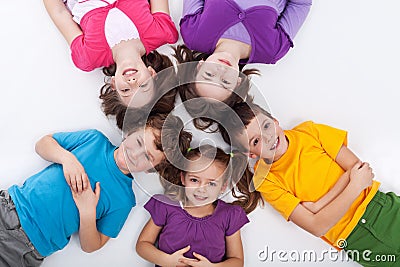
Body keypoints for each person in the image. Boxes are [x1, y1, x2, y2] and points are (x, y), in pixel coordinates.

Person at [221, 100, 400, 267]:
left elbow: (359, 170)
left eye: (266, 126)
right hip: (356, 239)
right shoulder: (265, 180)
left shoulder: (309, 132)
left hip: (383, 209)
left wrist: (319, 205)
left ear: (274, 120)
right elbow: (317, 226)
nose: (267, 138)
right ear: (250, 154)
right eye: (256, 141)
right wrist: (354, 185)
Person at [0, 113, 192, 267]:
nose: (135, 153)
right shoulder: (93, 139)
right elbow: (42, 144)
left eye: (148, 157)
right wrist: (67, 159)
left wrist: (87, 211)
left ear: (151, 169)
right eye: (139, 142)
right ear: (131, 131)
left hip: (27, 248)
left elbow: (91, 246)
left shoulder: (125, 200)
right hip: (7, 208)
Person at [43, 0, 178, 107]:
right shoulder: (162, 32)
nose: (132, 82)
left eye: (125, 91)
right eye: (143, 86)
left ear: (114, 84)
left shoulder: (88, 57)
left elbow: (59, 12)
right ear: (153, 74)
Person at [136, 145, 252, 267]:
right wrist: (166, 260)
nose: (201, 189)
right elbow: (143, 244)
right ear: (183, 178)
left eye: (211, 183)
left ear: (223, 187)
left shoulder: (229, 215)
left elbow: (237, 261)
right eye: (194, 180)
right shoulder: (166, 206)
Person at [178, 0, 312, 100]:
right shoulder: (270, 51)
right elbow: (301, 4)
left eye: (208, 75)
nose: (221, 71)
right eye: (225, 82)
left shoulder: (194, 35)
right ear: (237, 82)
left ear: (199, 66)